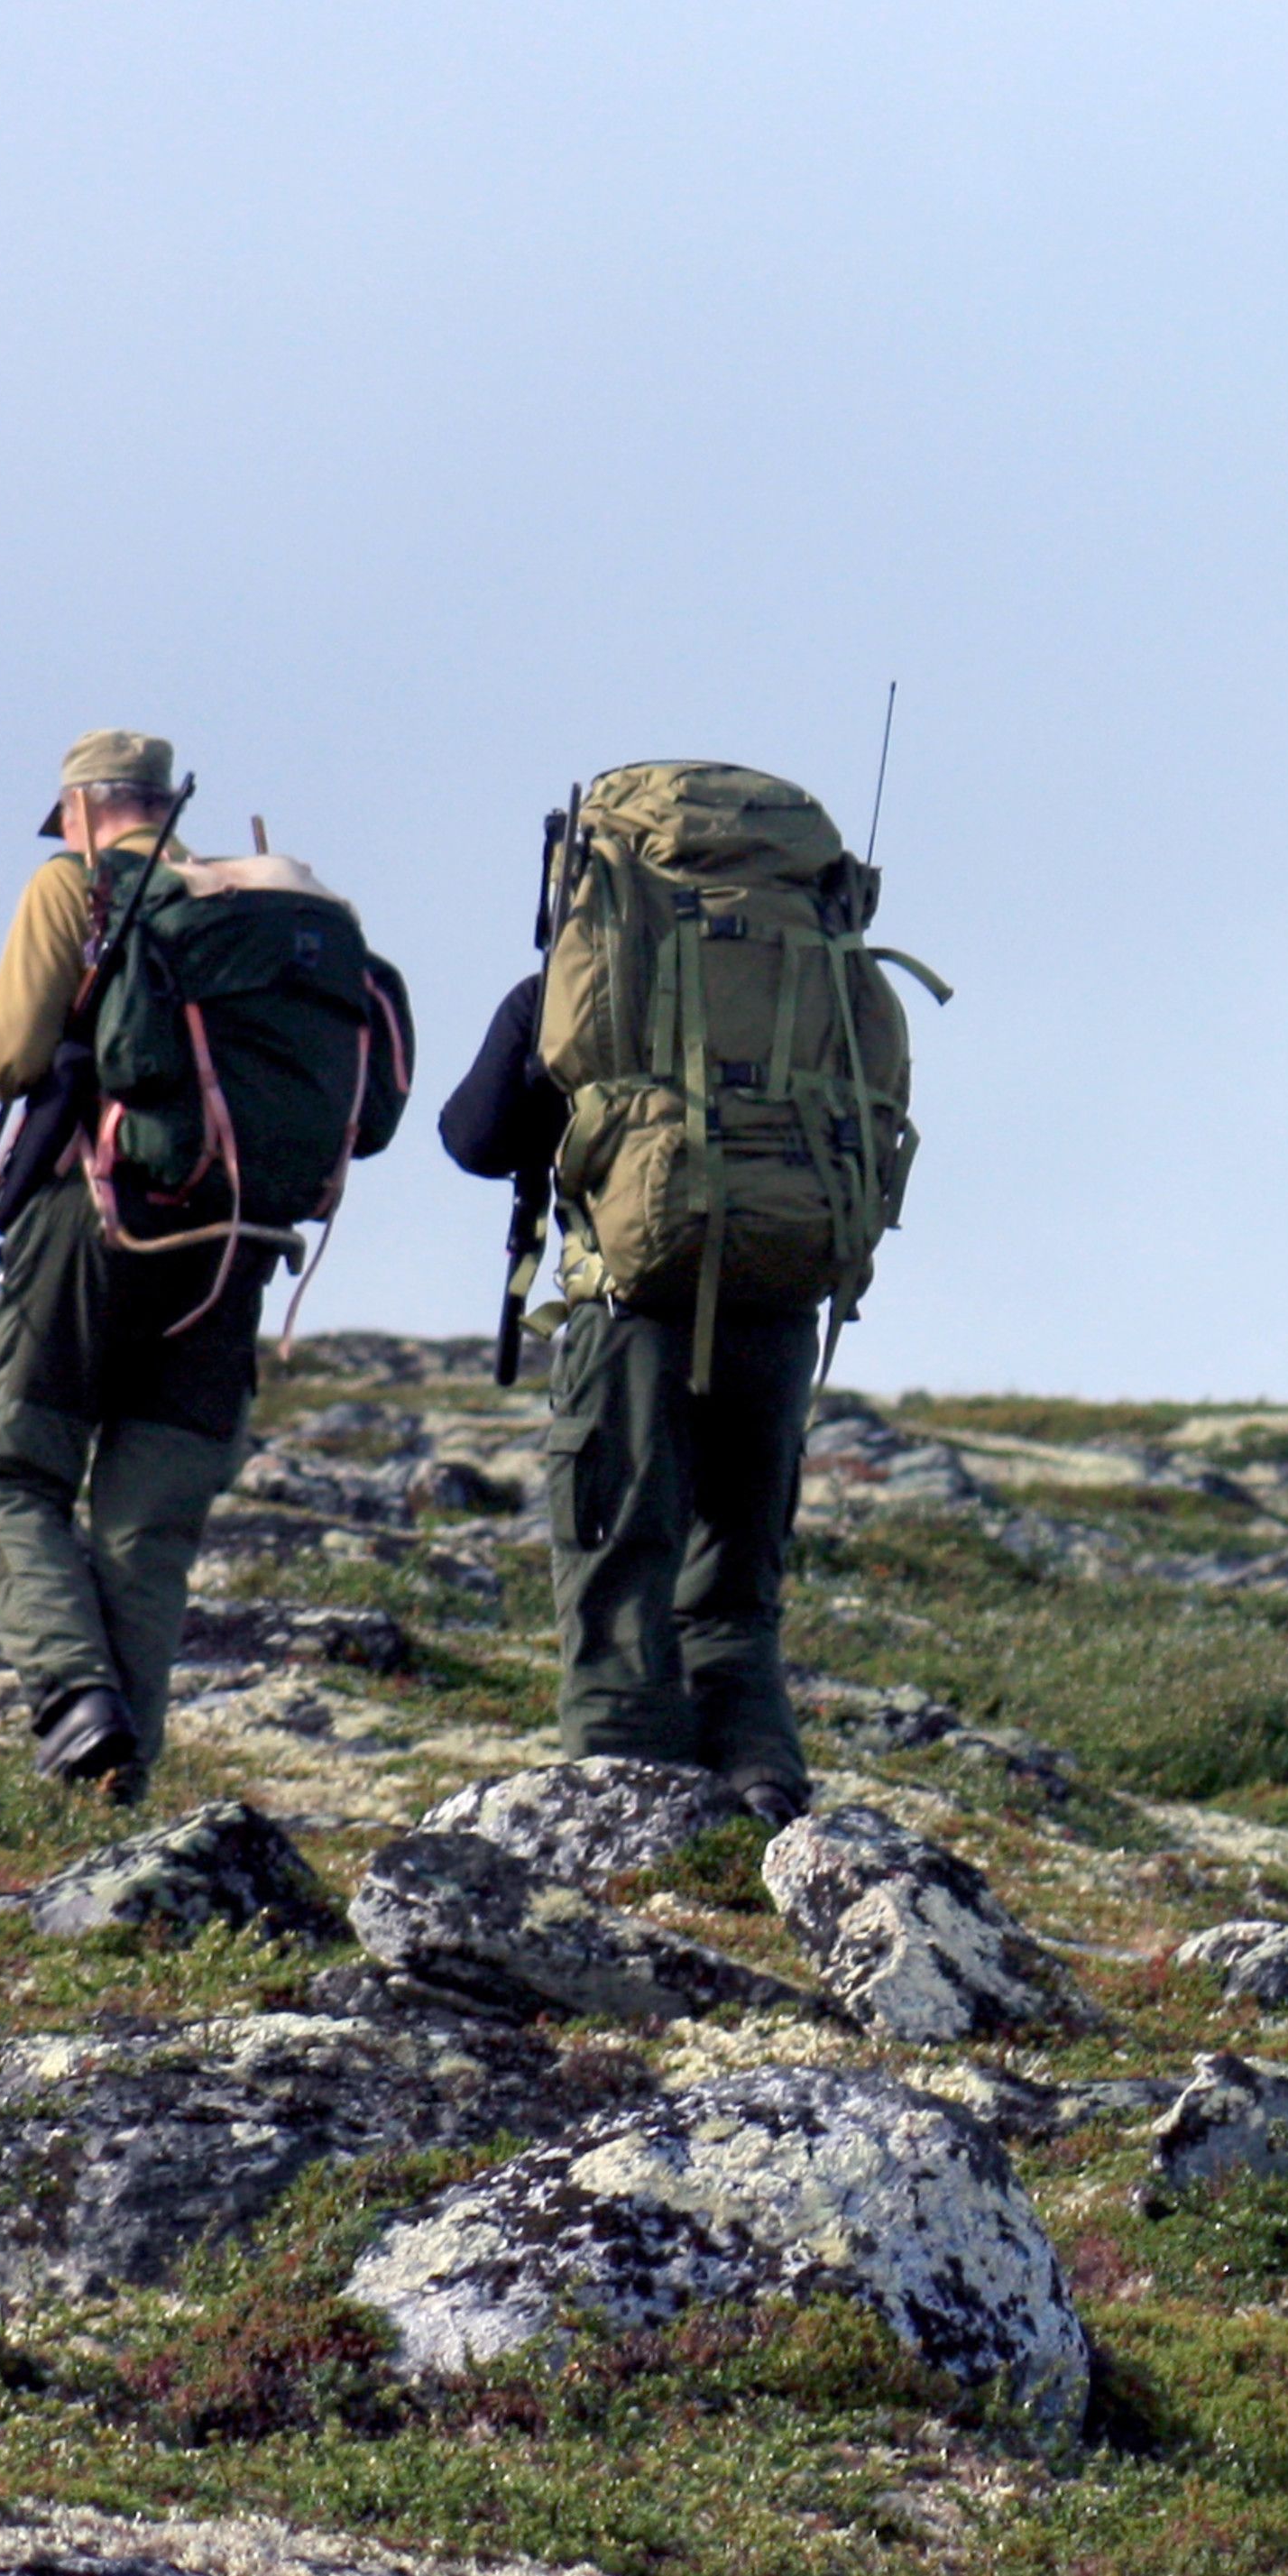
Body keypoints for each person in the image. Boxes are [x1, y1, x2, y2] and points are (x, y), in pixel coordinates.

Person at [439, 760, 932, 1829]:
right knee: (736, 1590)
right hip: (782, 1304)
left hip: (635, 1314)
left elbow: (473, 1139)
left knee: (618, 1569)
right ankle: (761, 1779)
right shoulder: (827, 963)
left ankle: (630, 1809)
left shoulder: (585, 974)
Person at [0, 728, 299, 1799]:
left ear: (84, 809)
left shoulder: (76, 885)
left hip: (93, 1222)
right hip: (234, 1245)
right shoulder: (259, 904)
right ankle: (118, 1778)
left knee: (11, 1482)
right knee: (147, 1529)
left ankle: (74, 1702)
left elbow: (12, 1053)